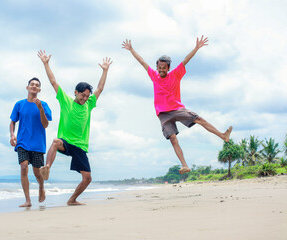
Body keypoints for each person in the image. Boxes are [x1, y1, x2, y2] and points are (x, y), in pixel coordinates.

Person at [122, 36, 232, 174]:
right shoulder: (153, 75)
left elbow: (185, 60)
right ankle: (185, 165)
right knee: (173, 138)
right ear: (157, 67)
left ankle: (223, 136)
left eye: (163, 67)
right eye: (159, 67)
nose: (161, 69)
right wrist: (131, 49)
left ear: (168, 68)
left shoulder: (175, 75)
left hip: (176, 108)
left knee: (199, 119)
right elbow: (142, 61)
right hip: (163, 114)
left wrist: (196, 48)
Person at [37, 50, 112, 205]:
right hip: (66, 142)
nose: (85, 98)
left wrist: (105, 71)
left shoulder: (89, 104)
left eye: (87, 96)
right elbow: (53, 82)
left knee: (87, 178)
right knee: (56, 141)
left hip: (80, 146)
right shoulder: (66, 101)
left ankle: (72, 200)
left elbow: (100, 88)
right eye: (82, 95)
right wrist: (46, 64)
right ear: (75, 92)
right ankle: (47, 167)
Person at [10, 77, 52, 207]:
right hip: (22, 142)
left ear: (39, 90)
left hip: (37, 143)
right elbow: (12, 121)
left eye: (37, 85)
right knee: (23, 167)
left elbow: (45, 125)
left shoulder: (43, 105)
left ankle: (41, 187)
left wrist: (40, 108)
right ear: (27, 87)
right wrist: (12, 135)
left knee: (37, 172)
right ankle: (27, 200)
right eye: (32, 84)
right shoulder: (19, 104)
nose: (34, 86)